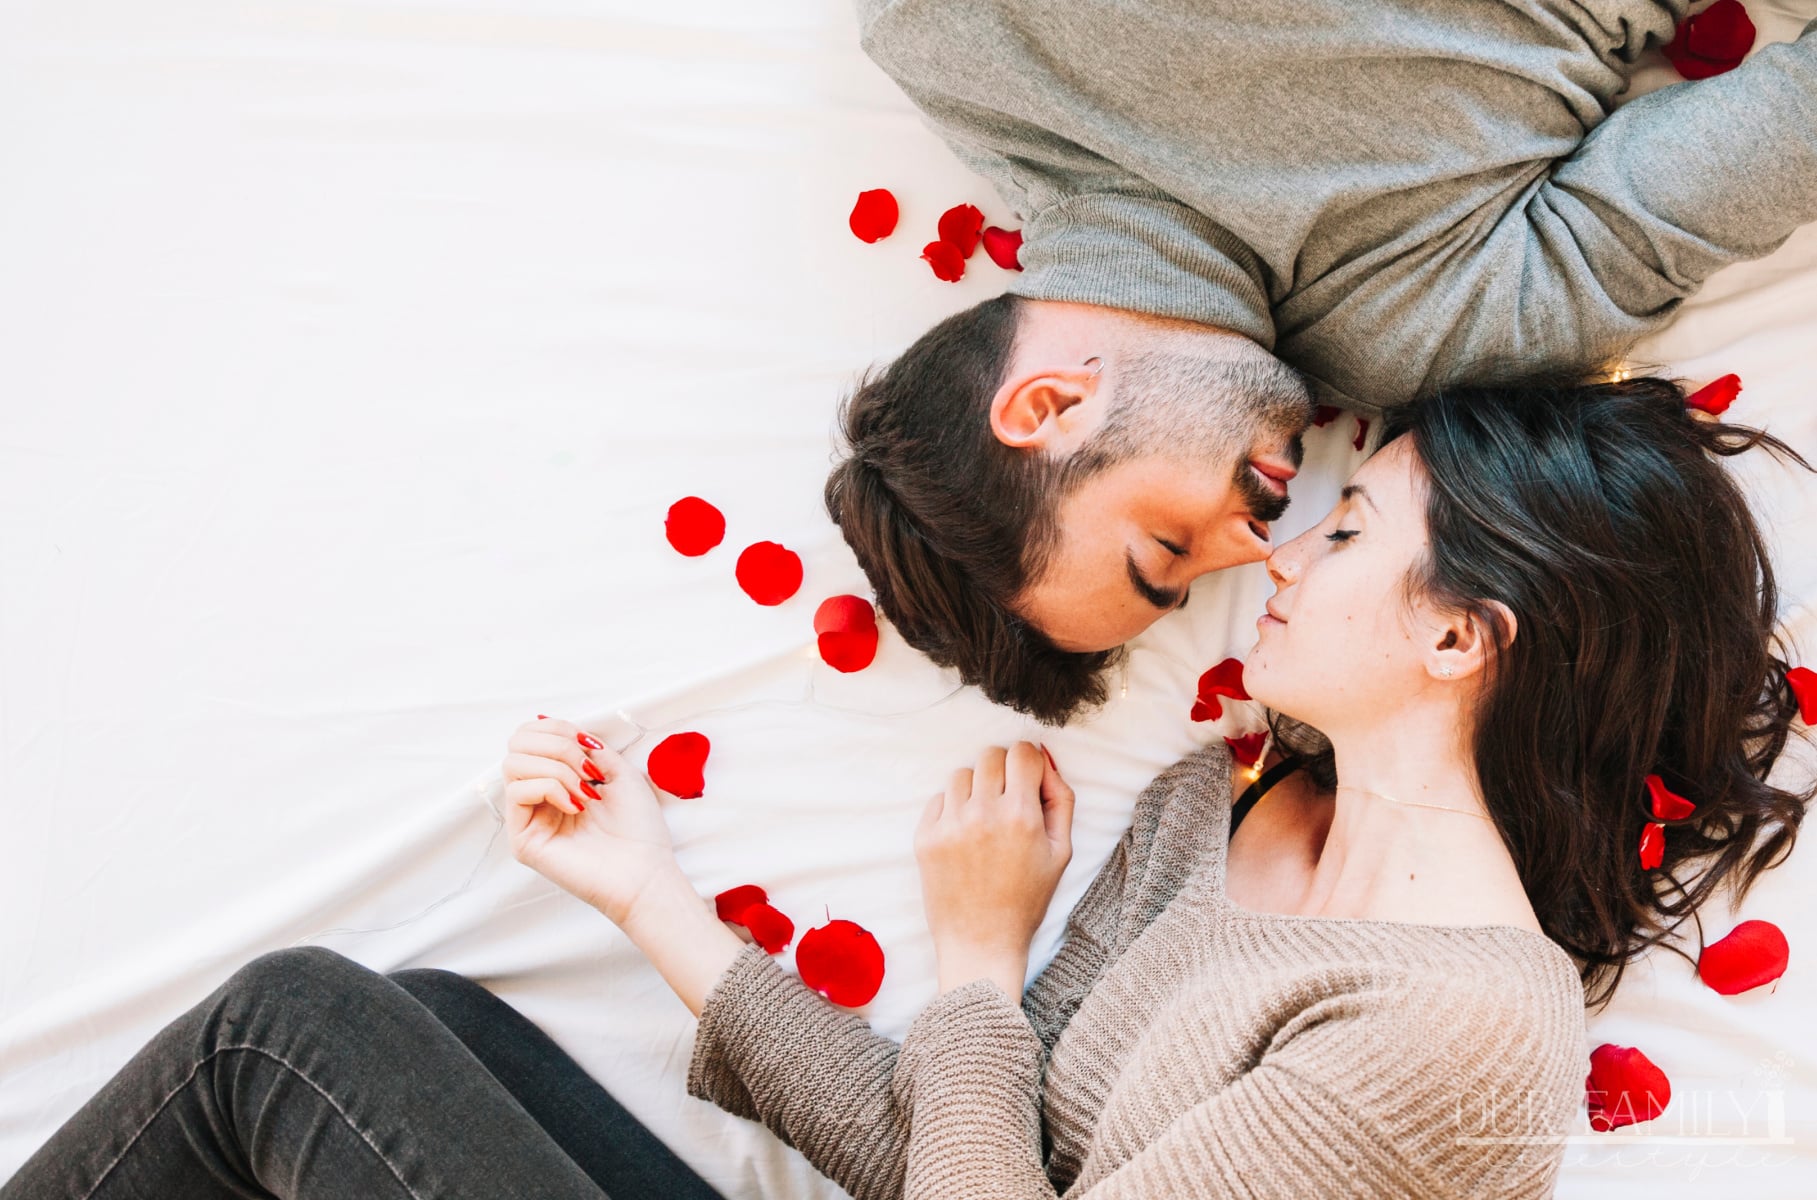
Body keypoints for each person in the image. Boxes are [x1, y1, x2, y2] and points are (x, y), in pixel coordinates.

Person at [7, 374, 1806, 1198]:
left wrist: (970, 961)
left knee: (289, 1035)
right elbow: (948, 1157)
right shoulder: (1218, 808)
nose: (1274, 558)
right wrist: (648, 894)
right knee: (426, 1021)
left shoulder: (1460, 1037)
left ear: (1458, 640)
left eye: (1344, 530)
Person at [830, 1, 1817, 721]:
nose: (1258, 548)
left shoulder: (944, 29)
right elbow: (1782, 131)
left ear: (1047, 406)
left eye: (1165, 549)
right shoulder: (1424, 339)